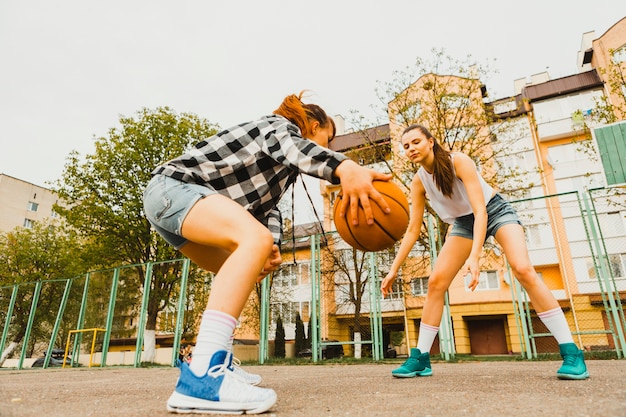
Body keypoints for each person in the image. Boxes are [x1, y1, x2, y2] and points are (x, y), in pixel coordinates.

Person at [143, 91, 392, 414]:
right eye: (327, 139)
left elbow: (266, 209)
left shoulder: (280, 173)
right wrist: (344, 167)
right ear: (312, 125)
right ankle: (203, 376)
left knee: (243, 269)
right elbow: (294, 148)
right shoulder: (276, 127)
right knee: (252, 245)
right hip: (173, 189)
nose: (327, 147)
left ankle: (217, 360)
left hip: (176, 204)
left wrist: (269, 245)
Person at [380, 124, 589, 381]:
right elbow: (412, 230)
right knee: (435, 282)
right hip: (463, 223)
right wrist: (393, 270)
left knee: (523, 269)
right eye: (406, 146)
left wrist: (475, 256)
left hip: (495, 211)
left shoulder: (460, 162)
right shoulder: (419, 181)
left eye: (415, 142)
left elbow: (481, 211)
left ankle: (572, 352)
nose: (410, 148)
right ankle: (421, 358)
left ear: (431, 142)